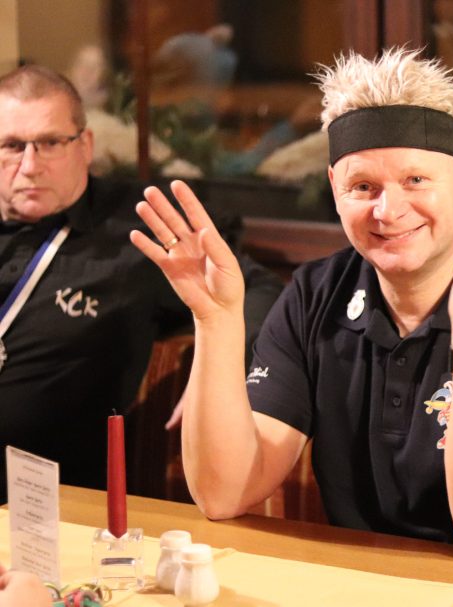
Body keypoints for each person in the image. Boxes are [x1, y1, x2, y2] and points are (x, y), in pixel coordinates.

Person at [131, 47, 453, 605]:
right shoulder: (315, 295)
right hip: (369, 585)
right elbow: (223, 493)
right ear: (334, 187)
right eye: (363, 186)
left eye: (416, 179)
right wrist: (216, 319)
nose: (389, 210)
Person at [0, 65, 282, 505]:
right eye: (13, 146)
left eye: (51, 143)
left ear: (85, 145)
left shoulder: (137, 230)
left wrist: (218, 373)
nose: (31, 165)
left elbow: (259, 289)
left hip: (52, 506)